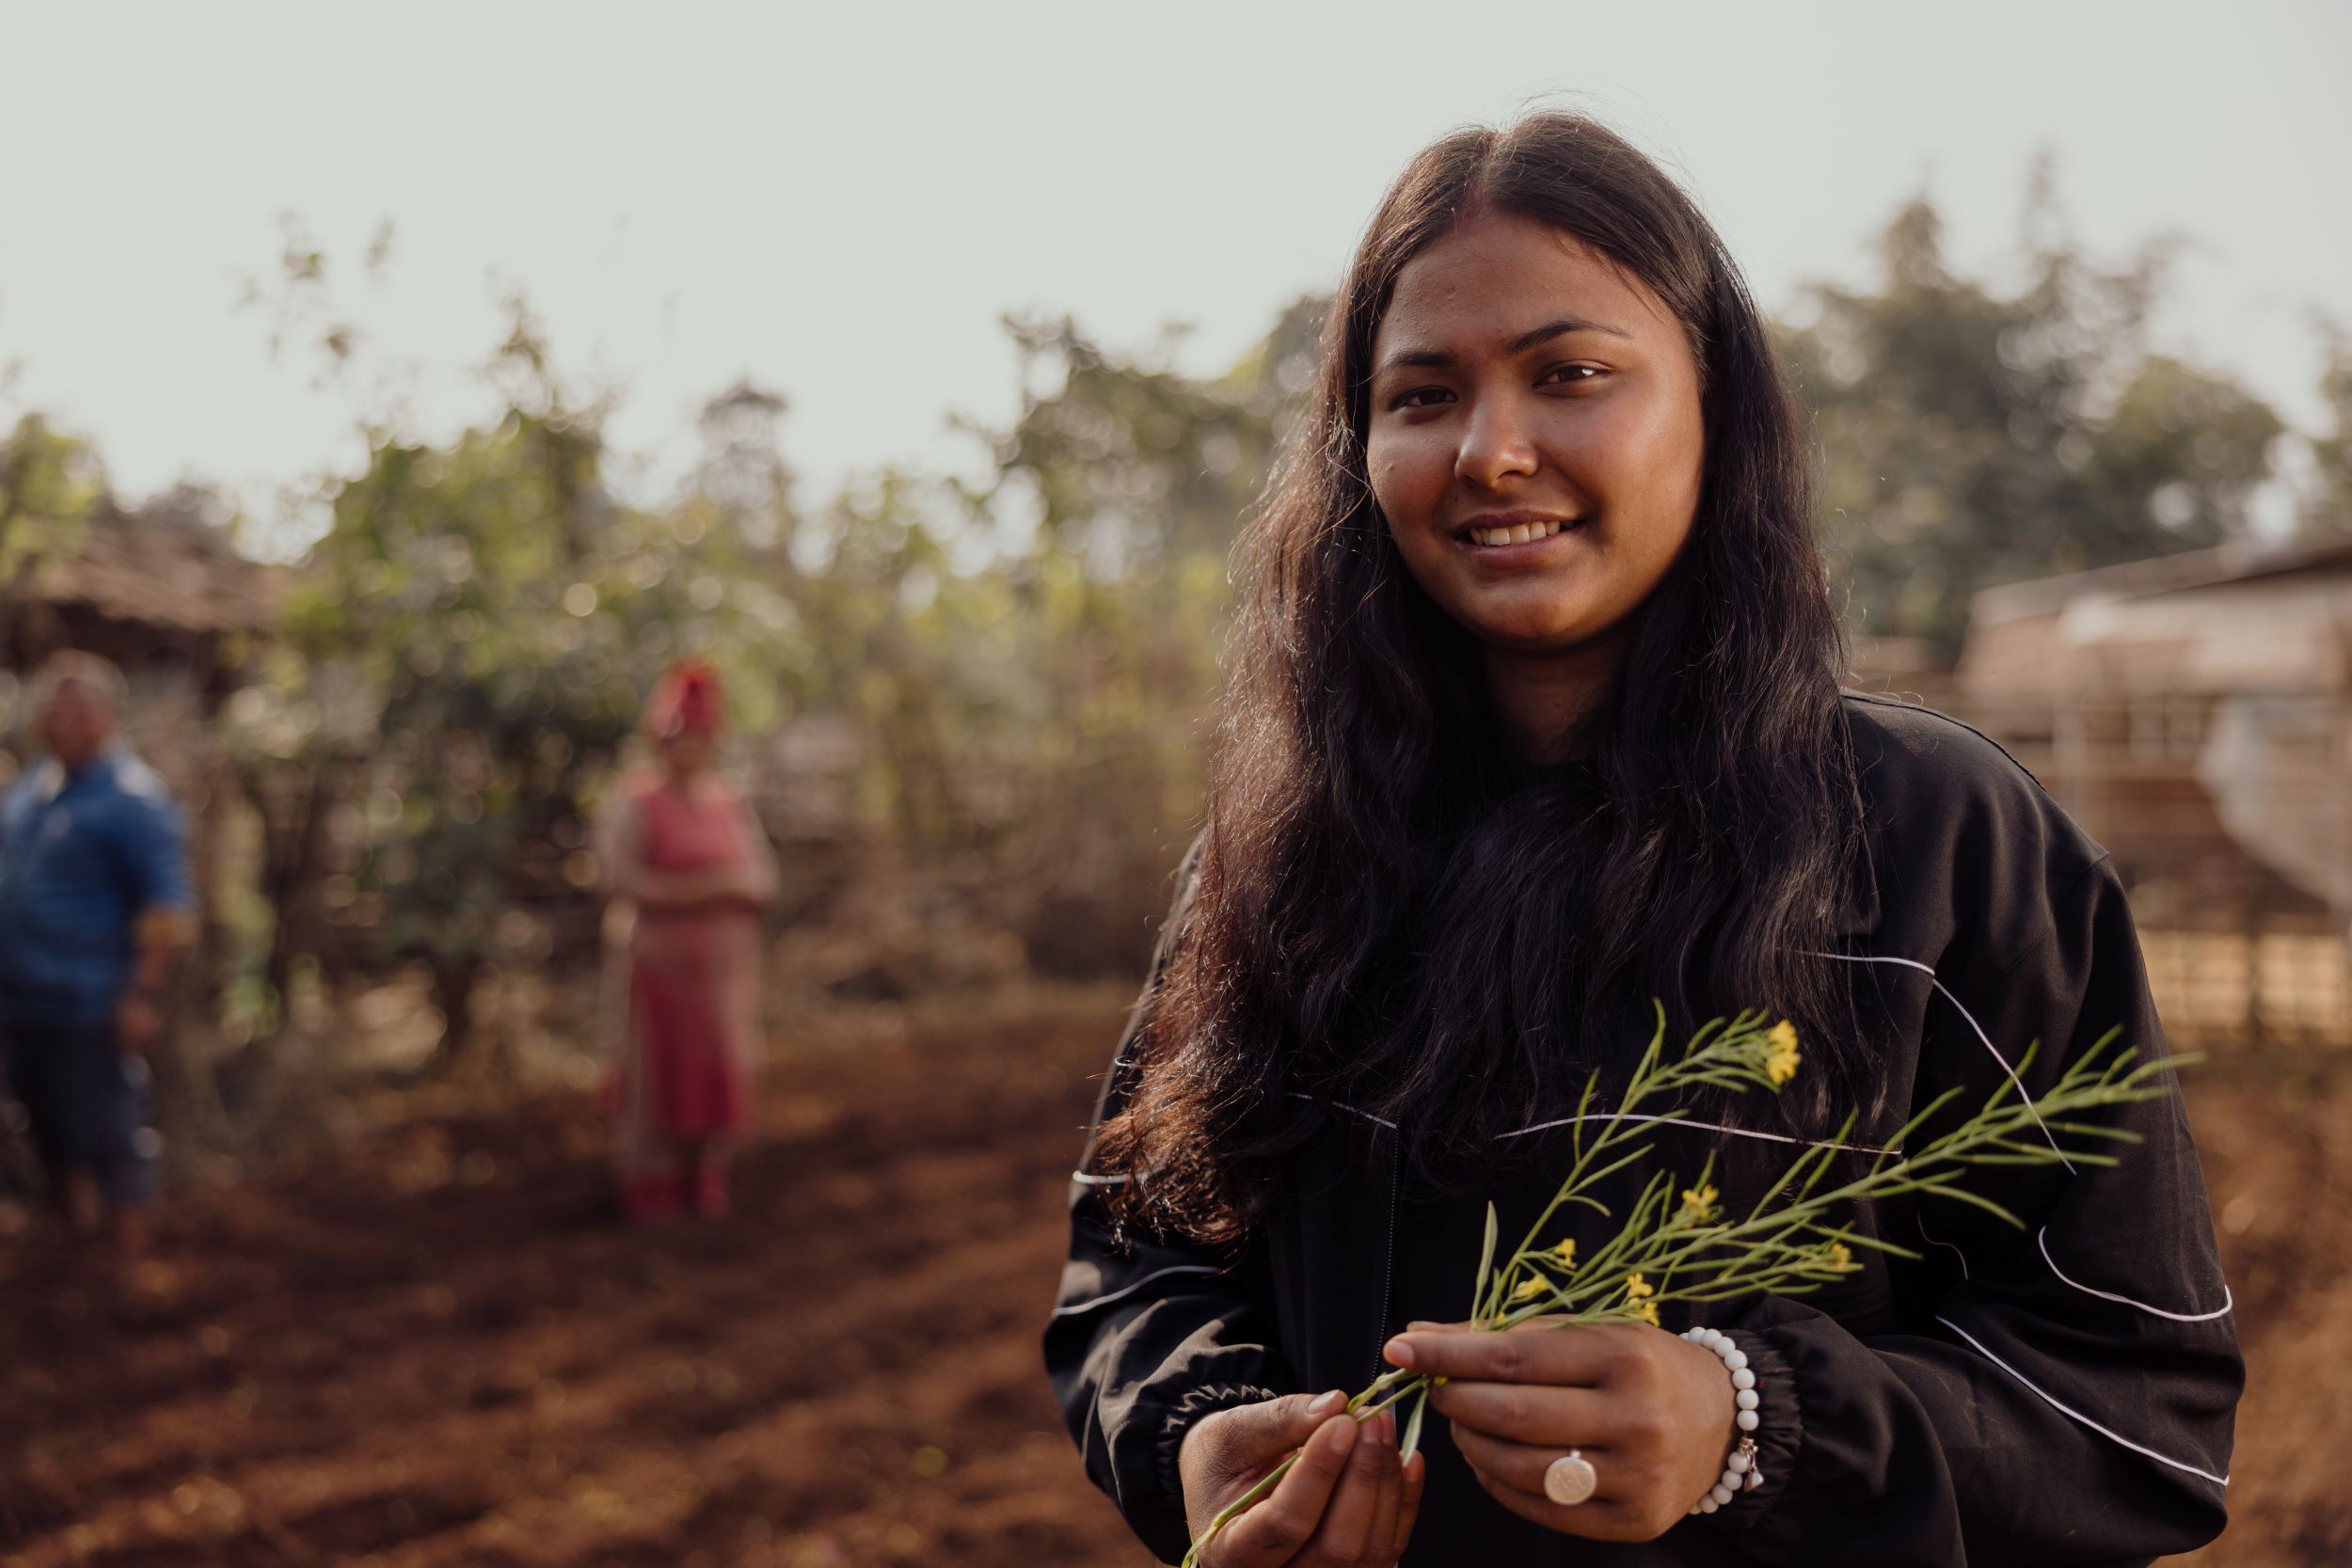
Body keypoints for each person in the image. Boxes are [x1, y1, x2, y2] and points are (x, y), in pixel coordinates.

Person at [1045, 114, 2239, 1568]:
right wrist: (1196, 1432)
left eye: (1572, 374)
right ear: (1360, 449)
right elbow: (1140, 1256)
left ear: (1715, 405)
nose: (1492, 450)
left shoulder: (1938, 842)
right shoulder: (1282, 860)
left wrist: (1754, 1422)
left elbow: (2140, 1405)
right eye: (1423, 395)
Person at [0, 652, 194, 1259]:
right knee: (49, 1129)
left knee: (110, 1131)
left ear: (110, 717)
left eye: (79, 707)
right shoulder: (34, 786)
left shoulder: (134, 798)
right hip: (23, 997)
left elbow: (166, 906)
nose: (64, 720)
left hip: (91, 999)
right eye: (53, 707)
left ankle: (132, 1267)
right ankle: (75, 1250)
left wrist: (139, 996)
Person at [595, 658, 776, 1223]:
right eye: (681, 740)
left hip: (721, 975)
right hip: (659, 971)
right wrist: (695, 891)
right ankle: (653, 1182)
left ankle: (704, 1173)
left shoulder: (728, 803)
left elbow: (761, 878)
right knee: (657, 1078)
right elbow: (618, 878)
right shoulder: (637, 803)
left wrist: (729, 888)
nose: (690, 751)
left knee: (716, 1067)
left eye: (700, 739)